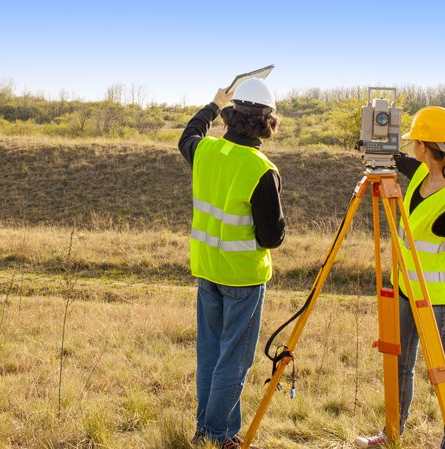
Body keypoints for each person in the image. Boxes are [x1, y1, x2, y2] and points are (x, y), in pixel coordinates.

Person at [355, 107, 445, 448]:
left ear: (422, 145)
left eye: (414, 141)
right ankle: (392, 433)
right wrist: (374, 146)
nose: (410, 148)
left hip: (438, 302)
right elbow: (399, 160)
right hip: (405, 289)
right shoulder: (419, 173)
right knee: (400, 365)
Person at [177, 78, 285, 449]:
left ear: (230, 115)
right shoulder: (261, 169)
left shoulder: (205, 151)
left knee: (210, 354)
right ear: (267, 122)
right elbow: (271, 237)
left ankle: (205, 429)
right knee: (233, 361)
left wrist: (212, 104)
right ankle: (218, 434)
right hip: (242, 278)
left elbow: (188, 135)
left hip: (207, 269)